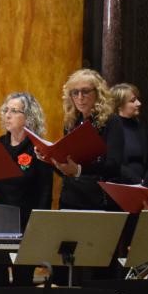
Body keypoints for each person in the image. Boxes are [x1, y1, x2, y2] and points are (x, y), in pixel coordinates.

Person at [0, 92, 53, 286]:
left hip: (25, 224)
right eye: (6, 110)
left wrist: (37, 227)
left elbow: (45, 193)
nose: (7, 115)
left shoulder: (38, 149)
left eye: (14, 111)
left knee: (22, 281)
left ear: (29, 116)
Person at [48, 69, 125, 211]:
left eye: (85, 91)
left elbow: (113, 165)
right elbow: (68, 166)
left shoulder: (111, 121)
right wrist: (51, 159)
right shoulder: (72, 122)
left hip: (97, 199)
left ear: (98, 93)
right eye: (75, 92)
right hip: (71, 197)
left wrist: (79, 170)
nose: (80, 97)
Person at [111, 83, 148, 183]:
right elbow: (116, 163)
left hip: (142, 183)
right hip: (120, 184)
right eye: (133, 101)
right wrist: (137, 180)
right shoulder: (111, 127)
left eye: (137, 99)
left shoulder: (141, 126)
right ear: (119, 105)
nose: (139, 103)